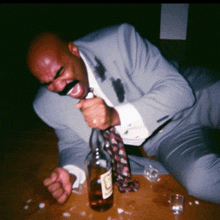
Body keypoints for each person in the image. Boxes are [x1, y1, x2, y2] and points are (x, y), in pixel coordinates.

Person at [27, 23, 220, 205]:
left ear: (73, 50)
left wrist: (115, 116)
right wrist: (71, 173)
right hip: (168, 137)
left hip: (199, 94)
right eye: (47, 83)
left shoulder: (119, 42)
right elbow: (72, 144)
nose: (59, 87)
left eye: (60, 72)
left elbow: (179, 92)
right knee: (202, 182)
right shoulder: (47, 105)